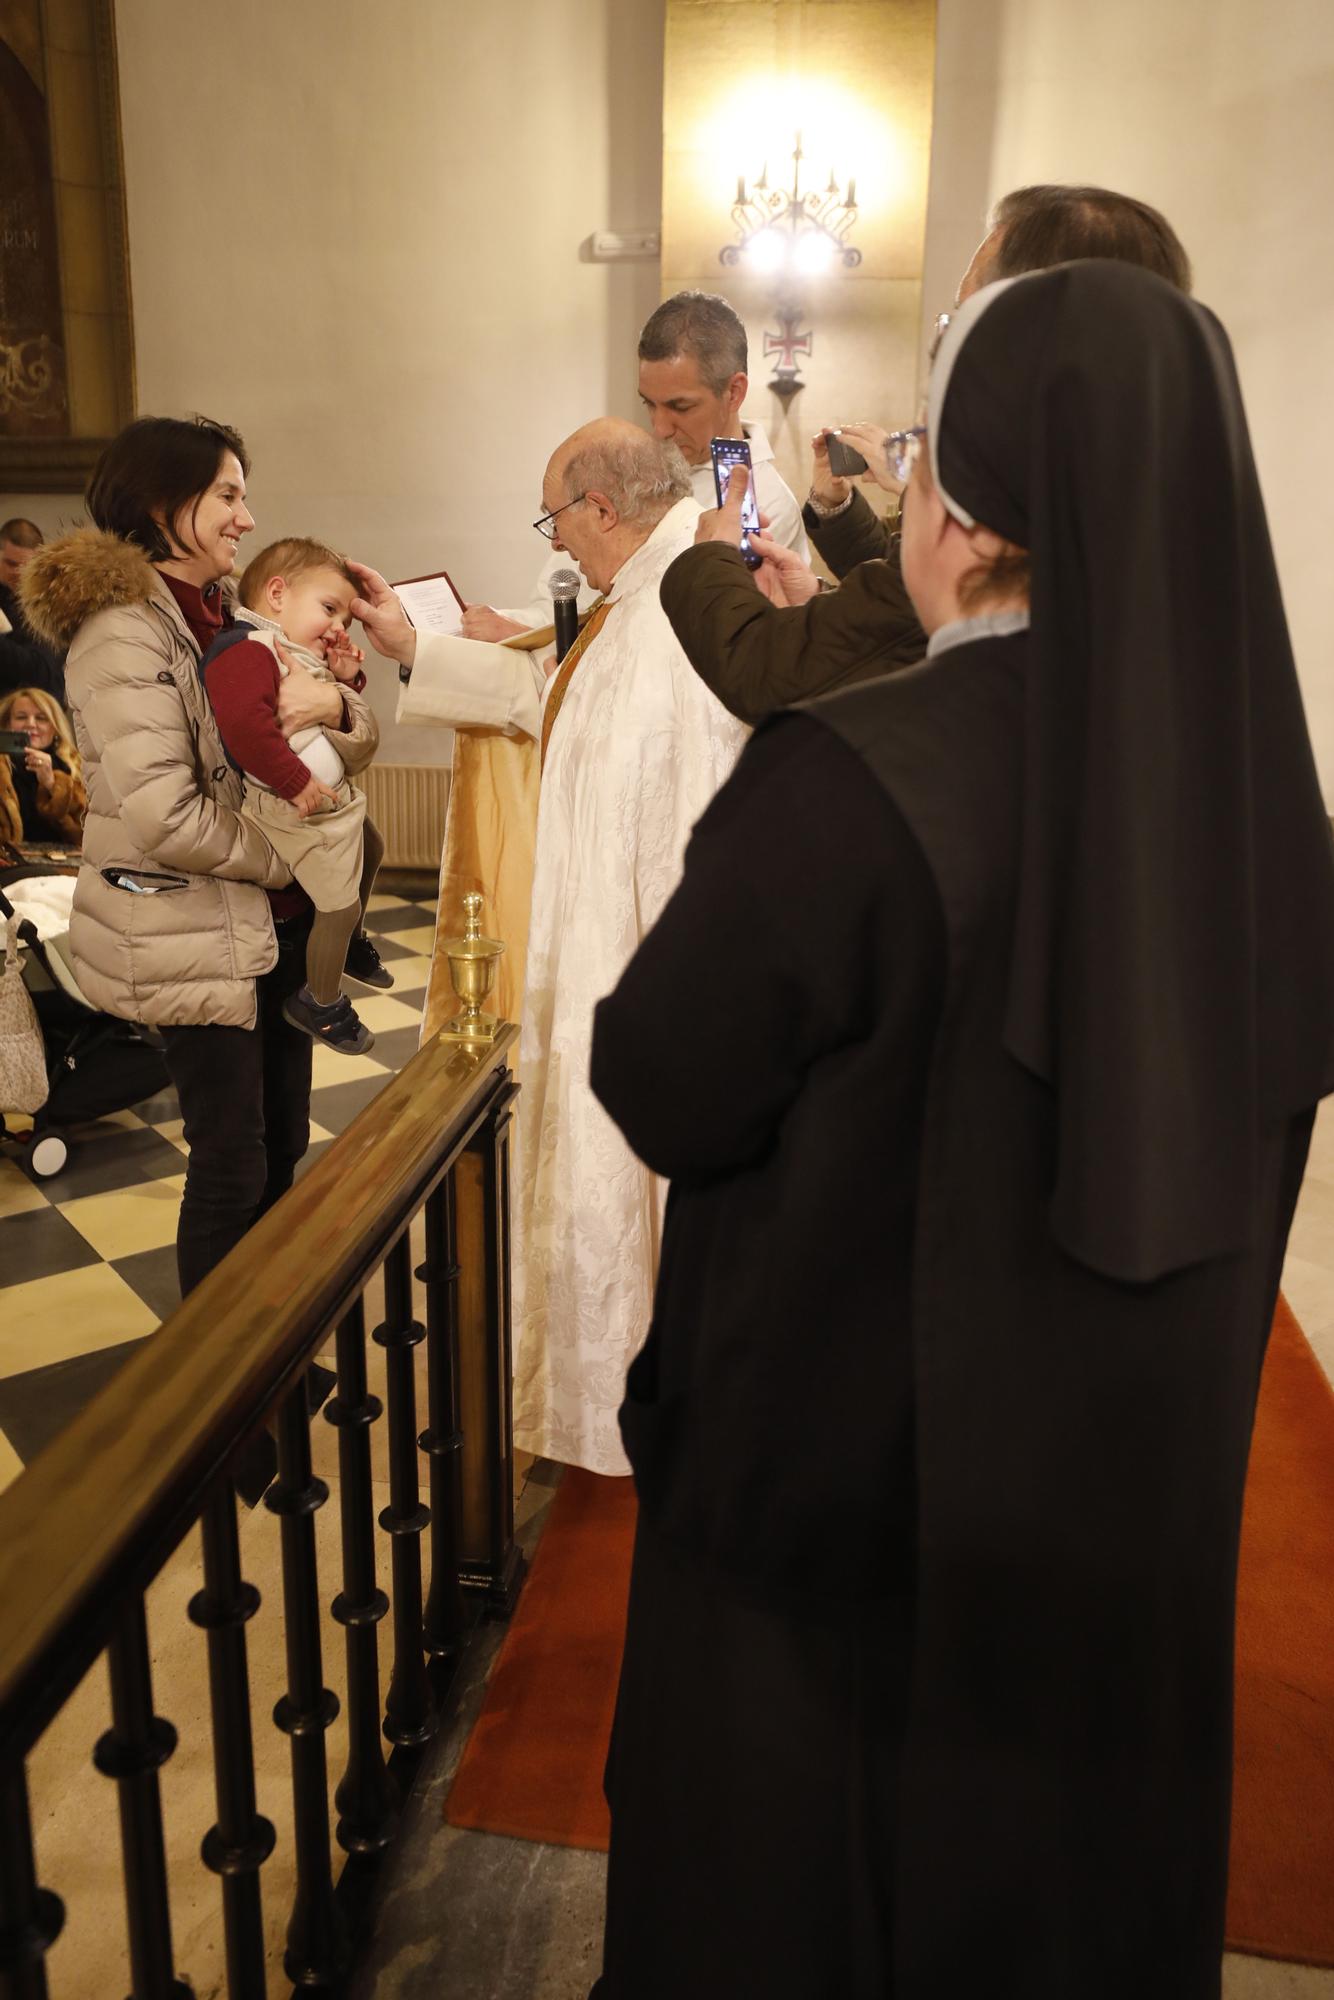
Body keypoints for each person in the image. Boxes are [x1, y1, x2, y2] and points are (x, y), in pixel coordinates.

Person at [587, 262, 1334, 1998]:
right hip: (1119, 1547)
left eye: (920, 457)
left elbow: (660, 1078)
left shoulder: (855, 772)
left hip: (850, 1543)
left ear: (970, 512)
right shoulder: (1268, 810)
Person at [353, 421, 748, 1473]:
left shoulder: (689, 598)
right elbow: (548, 701)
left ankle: (645, 1403)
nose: (558, 543)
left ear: (600, 509)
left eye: (556, 516)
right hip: (609, 956)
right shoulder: (645, 596)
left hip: (639, 961)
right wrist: (415, 650)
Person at [18, 415, 377, 1302]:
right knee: (231, 1164)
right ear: (160, 501)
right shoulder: (121, 631)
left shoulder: (234, 615)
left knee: (283, 1141)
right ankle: (217, 1404)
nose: (245, 518)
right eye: (226, 495)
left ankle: (265, 1350)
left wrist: (334, 700)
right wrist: (296, 862)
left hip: (264, 928)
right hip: (189, 922)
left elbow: (345, 739)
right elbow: (166, 812)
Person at [670, 183, 1194, 725]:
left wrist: (708, 558)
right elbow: (897, 626)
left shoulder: (995, 535)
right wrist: (822, 594)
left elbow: (767, 671)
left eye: (958, 321)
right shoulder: (1144, 526)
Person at [460, 289, 808, 644]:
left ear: (734, 392)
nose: (659, 428)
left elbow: (688, 637)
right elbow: (560, 596)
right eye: (650, 404)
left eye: (681, 407)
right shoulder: (632, 466)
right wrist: (503, 624)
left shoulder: (764, 503)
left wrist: (538, 636)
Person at [201, 537, 390, 1056]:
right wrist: (294, 781)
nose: (337, 627)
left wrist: (348, 676)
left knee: (373, 849)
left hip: (321, 804)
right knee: (336, 902)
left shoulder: (287, 651)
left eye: (345, 622)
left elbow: (321, 720)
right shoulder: (245, 649)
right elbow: (246, 728)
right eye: (329, 609)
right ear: (277, 594)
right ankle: (321, 1000)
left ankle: (347, 942)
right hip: (287, 809)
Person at [0, 685, 85, 845]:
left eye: (41, 718)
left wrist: (53, 784)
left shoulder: (76, 766)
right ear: (7, 724)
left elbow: (86, 833)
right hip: (10, 863)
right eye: (21, 717)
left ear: (55, 727)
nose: (31, 724)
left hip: (67, 863)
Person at [0, 517, 65, 704]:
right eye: (11, 564)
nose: (17, 573)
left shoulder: (51, 605)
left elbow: (45, 672)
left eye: (25, 566)